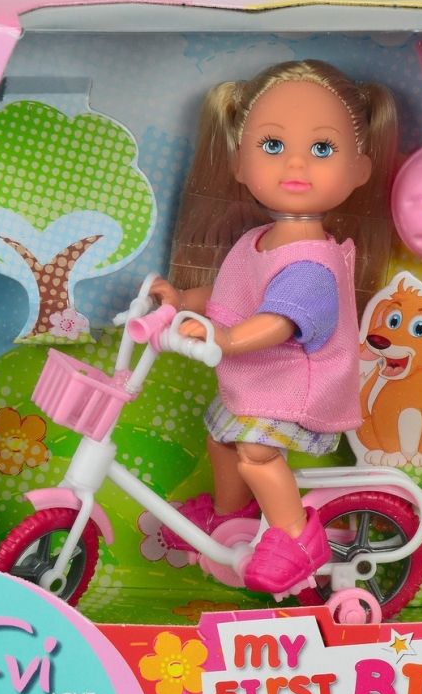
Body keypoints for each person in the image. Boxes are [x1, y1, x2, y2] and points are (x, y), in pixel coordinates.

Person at [151, 59, 397, 595]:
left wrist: (226, 339)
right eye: (272, 145)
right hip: (256, 383)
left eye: (323, 148)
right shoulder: (256, 239)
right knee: (221, 437)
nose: (296, 164)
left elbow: (282, 320)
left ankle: (295, 535)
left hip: (295, 388)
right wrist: (183, 301)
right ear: (239, 162)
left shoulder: (312, 261)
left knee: (257, 453)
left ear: (360, 169)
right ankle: (230, 515)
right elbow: (232, 294)